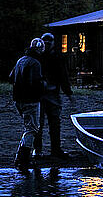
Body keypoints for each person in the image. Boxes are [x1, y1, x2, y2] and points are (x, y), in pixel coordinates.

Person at [9, 38, 47, 175]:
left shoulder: (21, 60)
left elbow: (11, 76)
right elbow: (35, 82)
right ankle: (23, 158)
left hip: (18, 99)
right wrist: (43, 88)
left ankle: (21, 158)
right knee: (32, 128)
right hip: (30, 100)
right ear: (40, 49)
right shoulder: (35, 63)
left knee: (28, 127)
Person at [37, 32, 75, 160]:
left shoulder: (54, 57)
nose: (47, 44)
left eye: (49, 42)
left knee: (52, 124)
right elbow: (64, 76)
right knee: (41, 124)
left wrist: (68, 92)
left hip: (50, 95)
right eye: (45, 42)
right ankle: (40, 151)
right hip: (41, 95)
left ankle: (53, 150)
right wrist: (69, 94)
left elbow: (63, 76)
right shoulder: (38, 57)